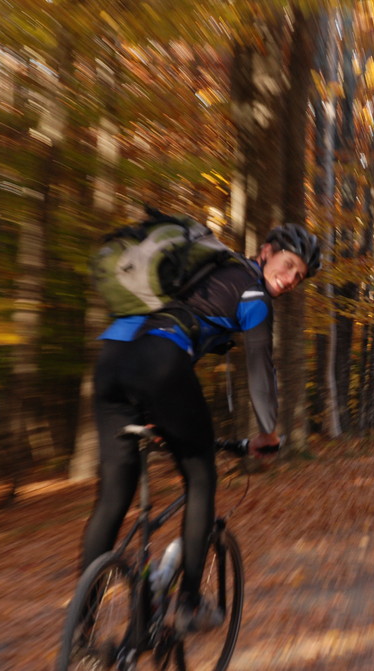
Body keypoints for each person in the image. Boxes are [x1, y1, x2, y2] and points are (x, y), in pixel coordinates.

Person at [79, 222, 321, 632]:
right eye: (289, 265)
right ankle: (189, 602)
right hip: (158, 362)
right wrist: (268, 431)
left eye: (299, 276)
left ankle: (82, 633)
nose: (291, 280)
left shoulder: (202, 272)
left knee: (113, 498)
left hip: (111, 364)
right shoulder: (253, 292)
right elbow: (261, 367)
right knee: (201, 474)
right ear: (265, 252)